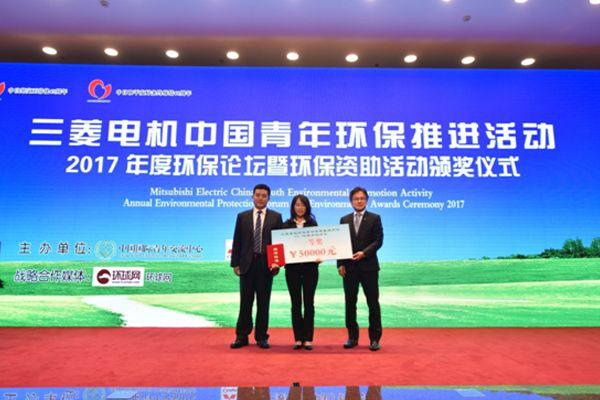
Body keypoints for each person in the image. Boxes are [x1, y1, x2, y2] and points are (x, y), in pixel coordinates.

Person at [230, 183, 283, 349]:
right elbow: (237, 240)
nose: (260, 198)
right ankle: (241, 336)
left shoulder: (276, 217)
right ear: (252, 196)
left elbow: (278, 242)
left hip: (266, 266)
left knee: (263, 303)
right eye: (257, 195)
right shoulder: (242, 216)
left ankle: (261, 337)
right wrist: (235, 263)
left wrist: (278, 263)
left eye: (264, 196)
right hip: (247, 265)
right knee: (245, 302)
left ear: (269, 198)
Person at [337, 187, 384, 351]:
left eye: (362, 198)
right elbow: (340, 243)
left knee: (373, 303)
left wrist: (364, 253)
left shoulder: (375, 218)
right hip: (349, 268)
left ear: (367, 200)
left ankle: (375, 339)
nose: (359, 201)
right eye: (356, 198)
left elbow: (378, 241)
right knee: (350, 303)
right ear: (351, 201)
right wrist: (340, 264)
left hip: (369, 267)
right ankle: (352, 337)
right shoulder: (344, 219)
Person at [281, 195, 320, 350]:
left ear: (307, 207)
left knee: (309, 303)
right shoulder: (285, 225)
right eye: (297, 205)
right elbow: (280, 246)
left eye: (303, 205)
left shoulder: (313, 224)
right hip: (292, 270)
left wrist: (319, 256)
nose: (300, 208)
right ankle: (298, 338)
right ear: (293, 207)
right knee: (295, 304)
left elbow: (319, 245)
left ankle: (308, 339)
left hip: (310, 269)